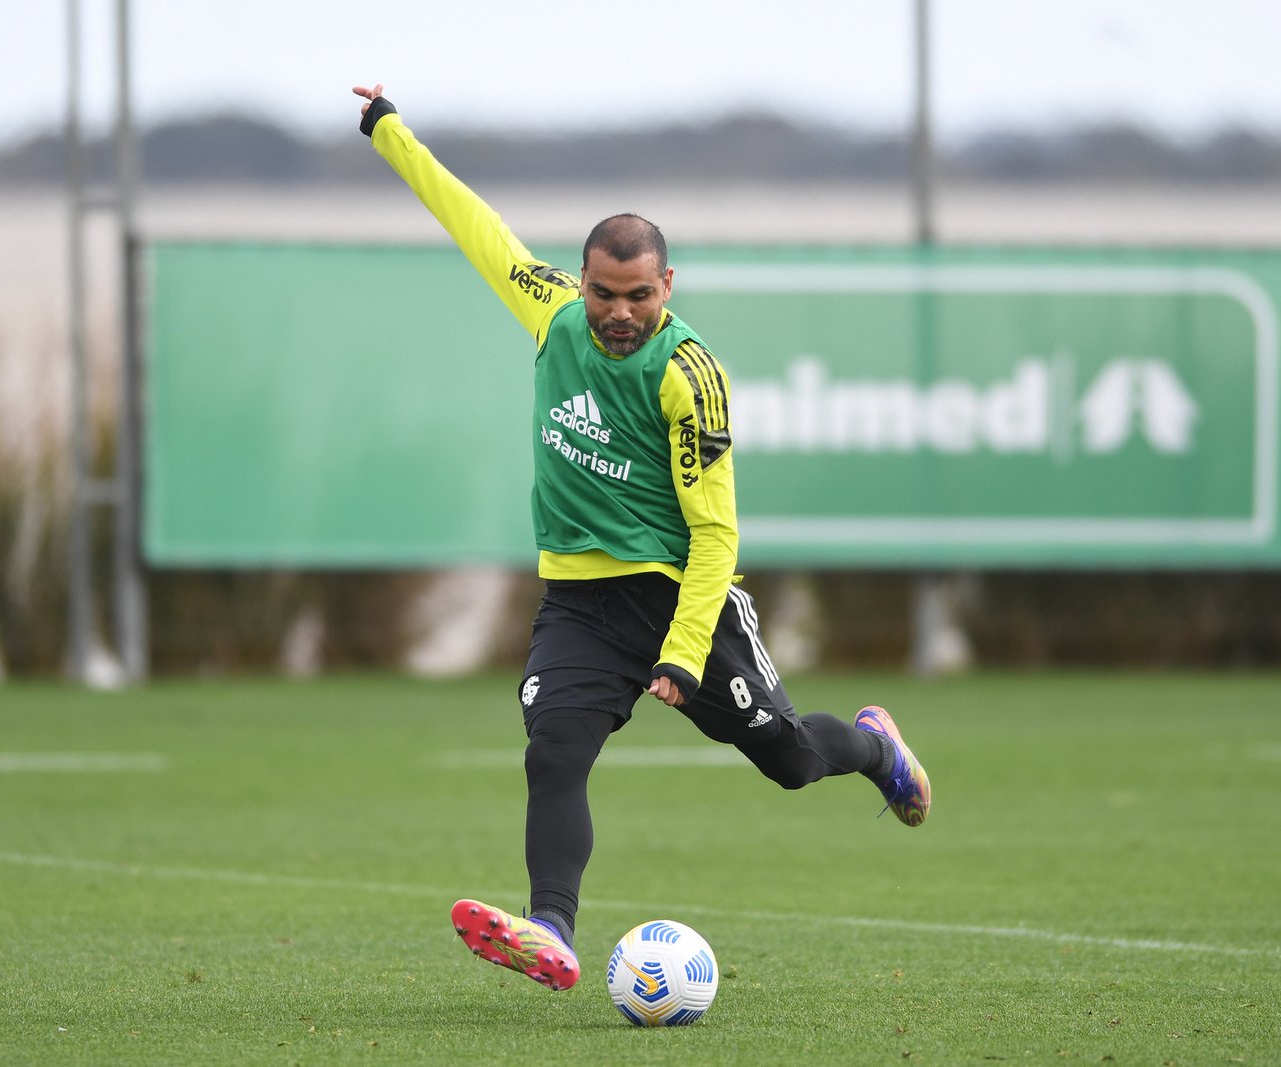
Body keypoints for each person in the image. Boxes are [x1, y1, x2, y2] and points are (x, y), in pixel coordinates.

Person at [352, 83, 930, 992]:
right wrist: (390, 131)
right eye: (601, 294)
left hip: (679, 597)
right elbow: (477, 228)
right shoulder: (551, 313)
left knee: (789, 759)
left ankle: (875, 747)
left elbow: (716, 538)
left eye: (636, 297)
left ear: (667, 287)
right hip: (581, 601)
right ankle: (552, 929)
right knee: (553, 748)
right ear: (578, 283)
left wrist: (685, 651)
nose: (617, 315)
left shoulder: (689, 376)